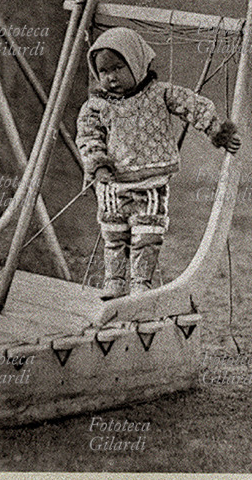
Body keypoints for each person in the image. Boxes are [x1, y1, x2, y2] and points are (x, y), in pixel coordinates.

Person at [75, 27, 241, 300]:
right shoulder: (97, 106)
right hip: (112, 186)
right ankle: (114, 281)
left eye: (118, 67)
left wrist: (217, 131)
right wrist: (98, 164)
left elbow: (193, 106)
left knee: (147, 236)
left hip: (150, 185)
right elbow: (88, 136)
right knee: (113, 236)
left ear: (137, 63)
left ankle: (141, 284)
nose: (111, 77)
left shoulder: (160, 94)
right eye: (103, 72)